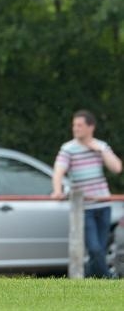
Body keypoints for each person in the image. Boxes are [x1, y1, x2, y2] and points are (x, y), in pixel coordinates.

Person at [51, 110, 122, 278]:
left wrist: (100, 150)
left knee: (100, 249)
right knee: (95, 248)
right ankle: (109, 279)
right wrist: (57, 190)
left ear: (91, 127)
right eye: (74, 125)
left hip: (103, 203)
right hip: (84, 206)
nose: (75, 128)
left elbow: (117, 168)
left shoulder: (101, 146)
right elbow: (58, 172)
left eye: (79, 125)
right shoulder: (68, 148)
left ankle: (89, 278)